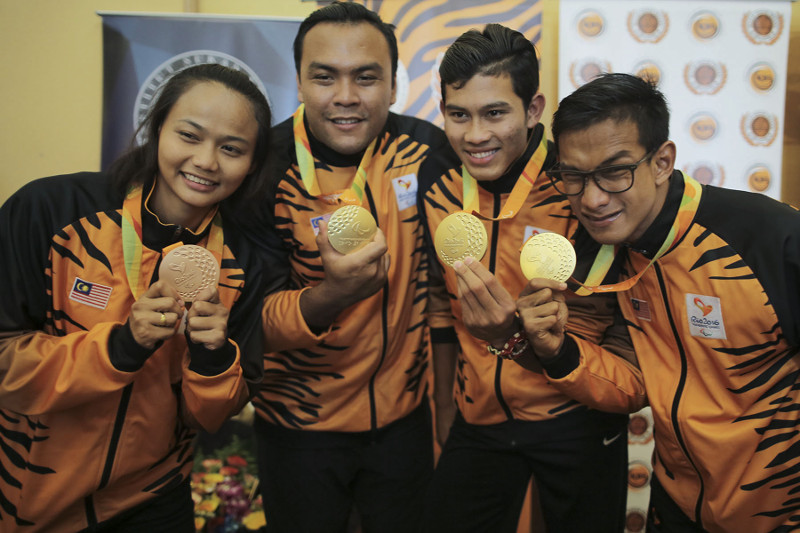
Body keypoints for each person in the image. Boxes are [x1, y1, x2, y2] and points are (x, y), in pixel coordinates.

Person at [518, 72, 800, 532]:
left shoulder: (766, 237)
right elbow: (633, 384)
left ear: (663, 161)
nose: (591, 198)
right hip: (675, 509)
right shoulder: (601, 252)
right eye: (573, 176)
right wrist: (556, 350)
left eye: (615, 172)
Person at [0, 64, 273, 532]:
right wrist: (121, 347)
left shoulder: (245, 264)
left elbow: (207, 417)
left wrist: (211, 357)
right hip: (29, 494)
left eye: (231, 149)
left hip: (153, 498)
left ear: (251, 163)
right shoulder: (49, 211)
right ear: (157, 127)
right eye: (190, 135)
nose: (207, 161)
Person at [245, 3, 458, 532]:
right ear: (297, 81)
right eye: (325, 77)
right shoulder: (259, 168)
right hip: (297, 429)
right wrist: (330, 295)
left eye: (366, 78)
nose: (345, 97)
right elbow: (249, 323)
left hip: (404, 422)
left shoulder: (427, 152)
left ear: (392, 85)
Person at [418, 25, 635, 532]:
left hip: (575, 419)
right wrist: (448, 410)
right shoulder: (440, 183)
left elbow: (610, 317)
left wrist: (516, 337)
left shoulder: (579, 186)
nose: (475, 135)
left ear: (533, 109)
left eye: (495, 112)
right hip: (479, 420)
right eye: (458, 114)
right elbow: (441, 304)